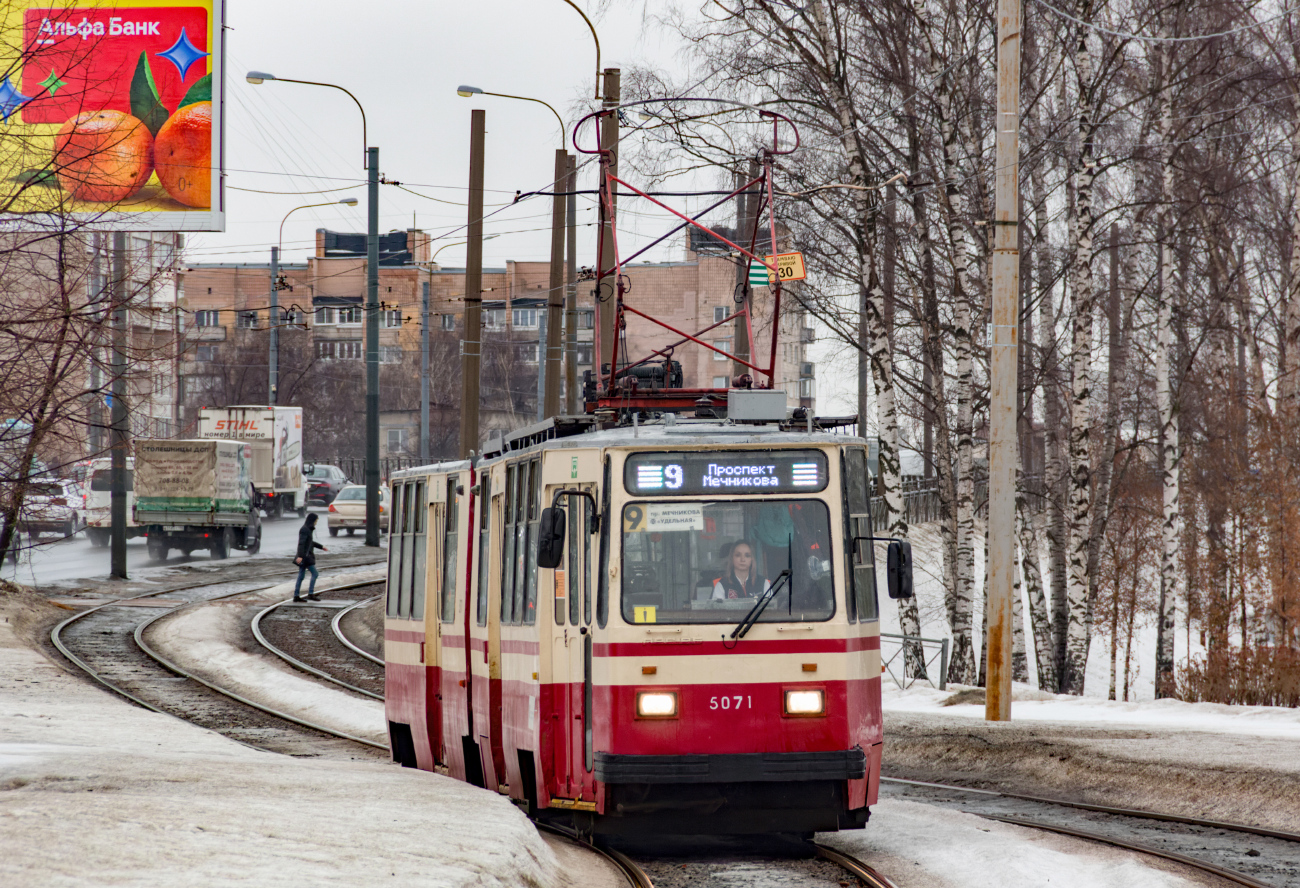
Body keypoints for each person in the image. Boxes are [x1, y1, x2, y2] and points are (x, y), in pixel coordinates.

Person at [293, 513, 327, 602]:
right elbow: (301, 543)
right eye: (316, 521)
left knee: (301, 576)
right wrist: (300, 556)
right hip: (306, 557)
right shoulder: (305, 529)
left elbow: (310, 542)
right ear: (312, 520)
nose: (316, 523)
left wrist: (321, 547)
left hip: (305, 557)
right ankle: (310, 594)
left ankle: (296, 596)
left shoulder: (307, 529)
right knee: (315, 574)